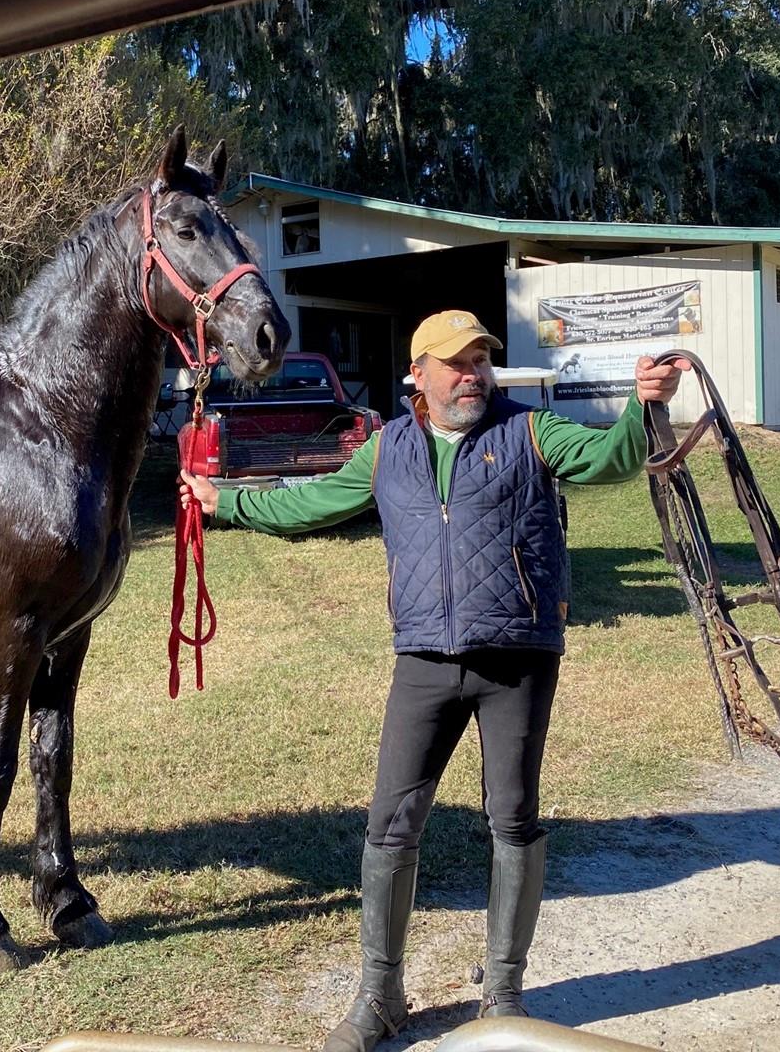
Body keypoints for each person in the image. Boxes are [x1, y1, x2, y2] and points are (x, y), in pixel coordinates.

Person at [179, 311, 687, 1051]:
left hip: (517, 657)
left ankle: (504, 998)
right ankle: (379, 997)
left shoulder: (532, 432)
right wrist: (228, 504)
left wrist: (645, 407)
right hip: (423, 660)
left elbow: (609, 458)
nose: (474, 373)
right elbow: (310, 502)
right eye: (458, 362)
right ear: (419, 374)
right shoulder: (388, 450)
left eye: (482, 360)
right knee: (389, 824)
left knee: (512, 819)